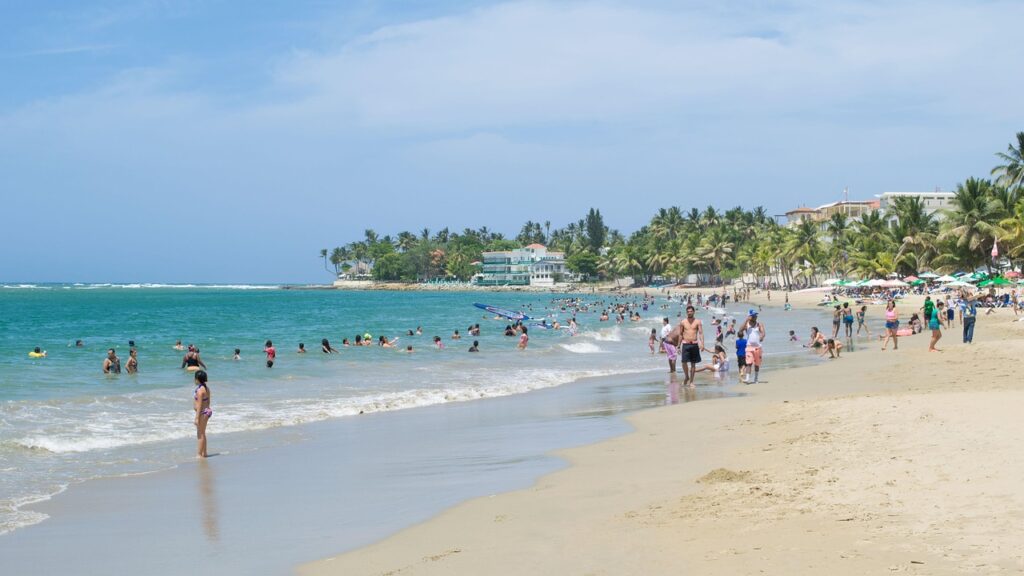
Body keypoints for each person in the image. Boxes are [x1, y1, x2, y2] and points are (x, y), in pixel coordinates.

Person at [679, 305, 705, 387]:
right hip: (685, 344)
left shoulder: (698, 322)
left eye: (691, 311)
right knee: (683, 362)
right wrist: (678, 345)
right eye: (688, 311)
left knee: (693, 364)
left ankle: (691, 382)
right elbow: (680, 334)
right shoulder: (683, 322)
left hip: (694, 344)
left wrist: (702, 343)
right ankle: (686, 376)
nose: (689, 313)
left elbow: (700, 333)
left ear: (694, 312)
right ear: (686, 312)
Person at [193, 370, 212, 458]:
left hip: (202, 412)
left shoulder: (200, 391)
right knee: (203, 433)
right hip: (207, 411)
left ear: (197, 379)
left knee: (200, 434)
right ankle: (204, 453)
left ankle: (199, 454)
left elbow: (200, 405)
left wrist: (197, 417)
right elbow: (208, 402)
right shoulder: (207, 388)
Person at [744, 310, 765, 384]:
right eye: (754, 315)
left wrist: (762, 337)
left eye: (756, 315)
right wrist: (746, 320)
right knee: (749, 363)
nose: (755, 317)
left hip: (758, 347)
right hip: (749, 347)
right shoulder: (747, 324)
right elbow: (740, 330)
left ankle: (756, 379)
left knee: (757, 364)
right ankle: (747, 379)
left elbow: (763, 332)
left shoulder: (759, 324)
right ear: (750, 316)